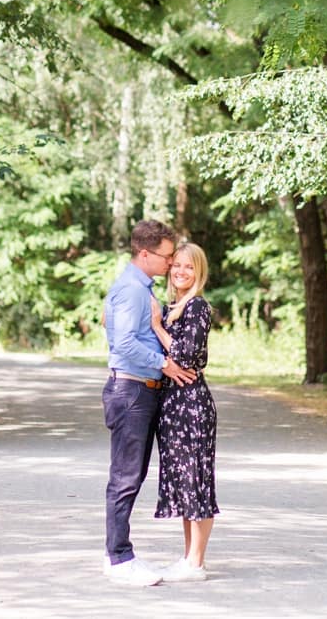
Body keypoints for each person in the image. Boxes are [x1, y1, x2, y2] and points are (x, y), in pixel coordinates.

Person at [103, 218, 197, 586]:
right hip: (131, 392)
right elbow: (124, 344)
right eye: (166, 256)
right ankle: (119, 559)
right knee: (125, 477)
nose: (171, 263)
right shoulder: (132, 290)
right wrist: (165, 364)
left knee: (132, 475)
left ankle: (116, 553)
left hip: (139, 390)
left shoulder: (140, 288)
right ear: (145, 254)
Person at [150, 240, 219, 582]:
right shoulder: (171, 306)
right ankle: (188, 558)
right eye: (176, 264)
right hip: (171, 405)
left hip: (192, 403)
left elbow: (184, 356)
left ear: (199, 272)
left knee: (198, 481)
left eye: (189, 266)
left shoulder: (197, 309)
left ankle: (197, 563)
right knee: (183, 482)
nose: (181, 271)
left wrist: (158, 328)